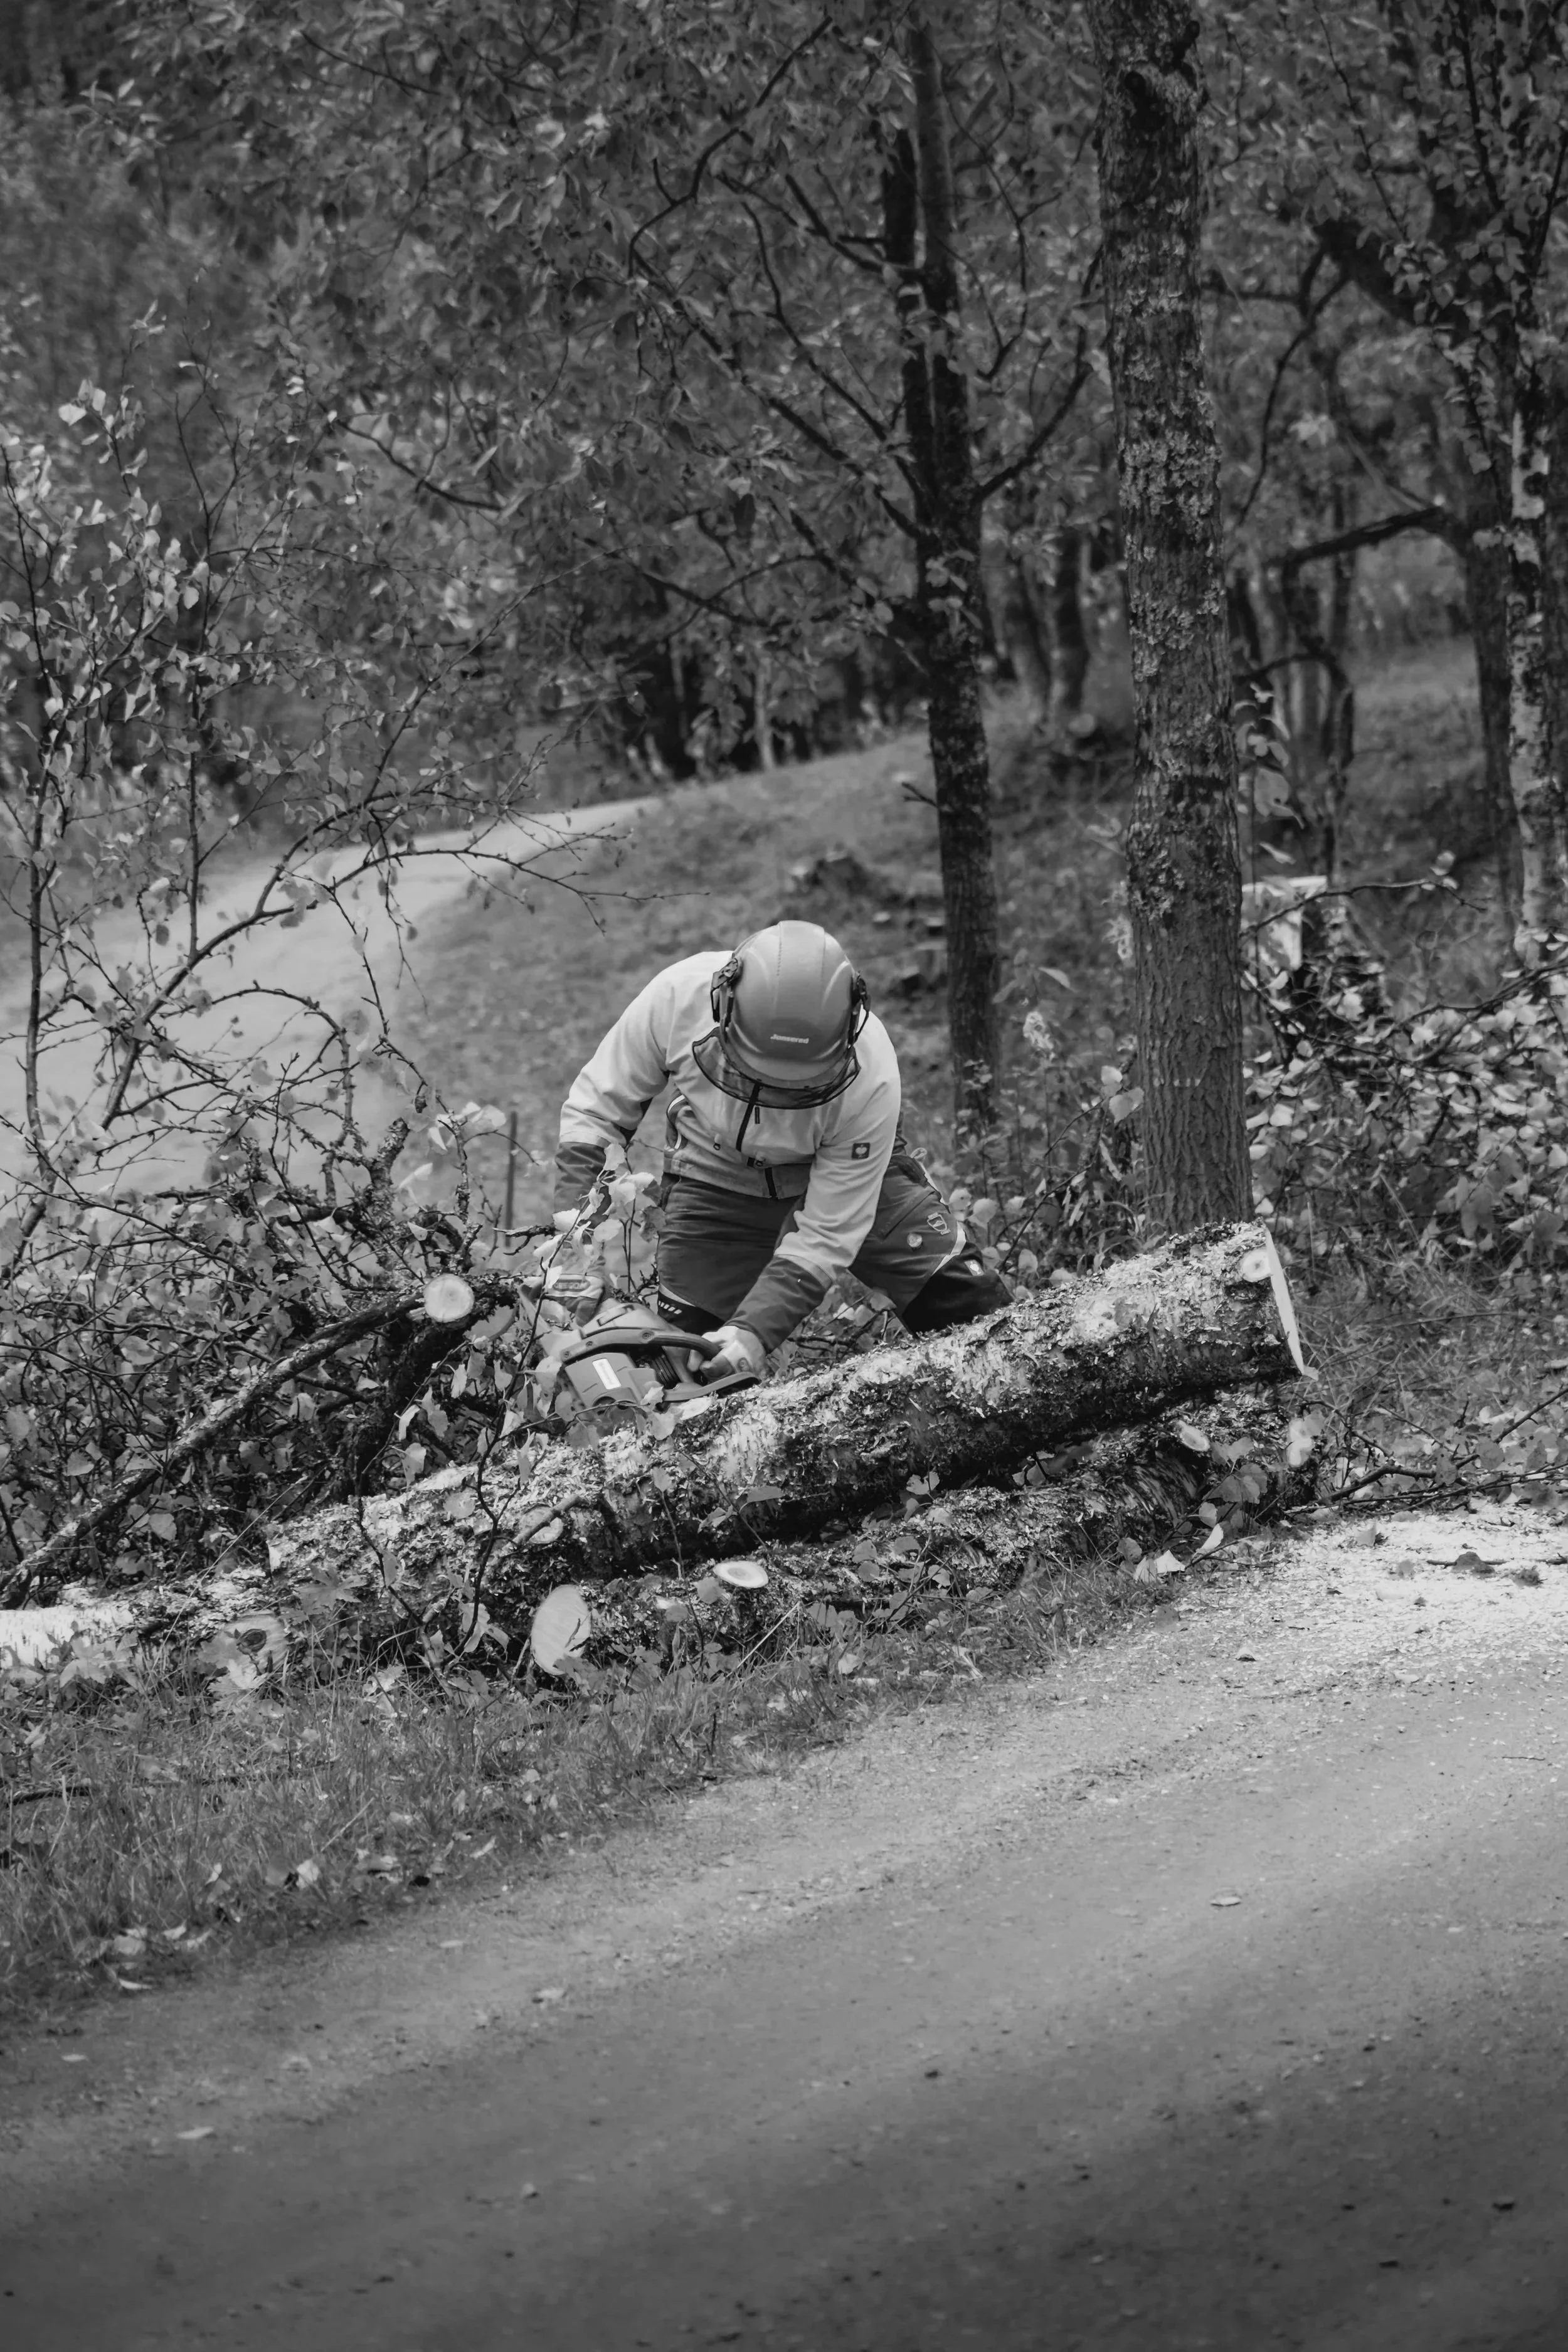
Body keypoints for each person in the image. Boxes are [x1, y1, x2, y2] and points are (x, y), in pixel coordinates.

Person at [553, 919, 1009, 1382]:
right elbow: (597, 1113)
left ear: (847, 1032)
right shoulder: (676, 998)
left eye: (797, 1087)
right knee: (684, 1364)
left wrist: (753, 1331)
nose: (776, 1096)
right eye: (757, 1076)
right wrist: (573, 1246)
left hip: (848, 1168)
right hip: (716, 1171)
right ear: (722, 1006)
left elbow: (828, 1233)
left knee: (968, 1306)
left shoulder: (873, 1075)